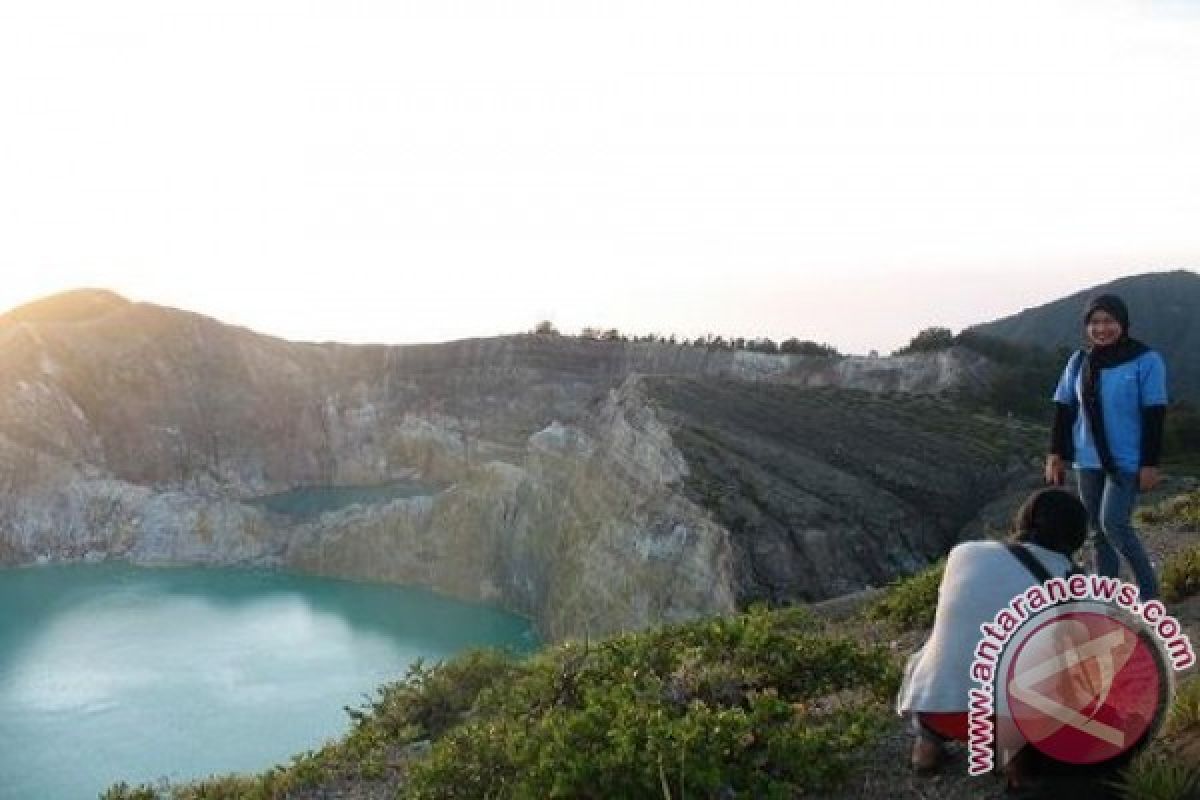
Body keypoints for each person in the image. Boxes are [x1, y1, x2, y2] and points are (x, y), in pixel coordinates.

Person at [896, 488, 1087, 775]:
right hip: (1009, 722)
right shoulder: (1071, 579)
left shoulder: (964, 553)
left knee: (940, 646)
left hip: (937, 709)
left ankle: (926, 748)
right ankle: (1016, 762)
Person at [1044, 293, 1168, 601]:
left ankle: (1150, 597)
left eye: (1109, 321)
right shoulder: (1079, 361)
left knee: (1114, 525)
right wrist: (1055, 454)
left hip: (1126, 460)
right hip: (1087, 459)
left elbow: (1155, 414)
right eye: (1095, 322)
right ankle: (1105, 595)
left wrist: (1150, 463)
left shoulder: (1146, 360)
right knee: (1098, 532)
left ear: (1122, 323)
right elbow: (1064, 409)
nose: (1102, 328)